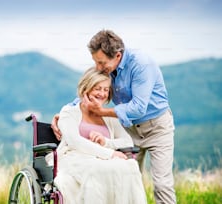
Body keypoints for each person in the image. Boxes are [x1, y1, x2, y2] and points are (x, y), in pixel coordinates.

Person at [52, 29, 176, 204]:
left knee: (163, 184)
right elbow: (91, 88)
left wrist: (103, 113)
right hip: (129, 127)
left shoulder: (141, 65)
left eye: (101, 63)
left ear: (117, 56)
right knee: (127, 177)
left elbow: (139, 108)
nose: (99, 68)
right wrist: (66, 111)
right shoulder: (107, 68)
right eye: (96, 62)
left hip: (157, 128)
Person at [51, 67, 147, 204]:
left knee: (130, 166)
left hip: (102, 159)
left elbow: (127, 142)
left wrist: (106, 142)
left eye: (106, 89)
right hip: (74, 157)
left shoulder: (109, 117)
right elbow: (75, 142)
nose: (102, 93)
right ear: (86, 89)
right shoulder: (68, 112)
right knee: (98, 169)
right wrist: (110, 153)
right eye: (97, 88)